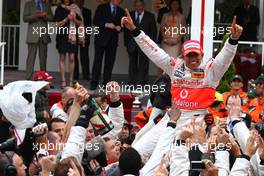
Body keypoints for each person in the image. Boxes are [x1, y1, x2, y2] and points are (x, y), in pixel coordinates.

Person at [122, 9, 243, 175]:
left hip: (194, 126)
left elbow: (225, 58)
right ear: (182, 56)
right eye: (189, 55)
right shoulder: (174, 66)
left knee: (178, 166)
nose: (193, 59)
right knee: (134, 154)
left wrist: (233, 39)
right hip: (171, 119)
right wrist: (135, 31)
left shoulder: (211, 71)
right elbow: (153, 51)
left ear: (202, 54)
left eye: (196, 55)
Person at [90, 0, 125, 90]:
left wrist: (120, 28)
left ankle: (106, 84)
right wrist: (106, 24)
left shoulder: (121, 11)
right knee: (97, 61)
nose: (119, 1)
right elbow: (95, 21)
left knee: (109, 63)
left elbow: (123, 26)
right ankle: (94, 83)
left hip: (113, 41)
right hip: (101, 39)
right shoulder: (102, 7)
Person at [124, 0, 157, 85]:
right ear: (134, 6)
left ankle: (142, 83)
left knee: (144, 65)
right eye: (137, 6)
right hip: (131, 44)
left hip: (145, 44)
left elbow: (153, 32)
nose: (138, 7)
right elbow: (126, 31)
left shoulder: (150, 16)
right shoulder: (129, 15)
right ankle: (132, 83)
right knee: (132, 64)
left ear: (143, 6)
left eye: (140, 6)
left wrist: (152, 45)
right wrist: (126, 43)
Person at [54, 0, 85, 88]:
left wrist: (74, 19)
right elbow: (56, 24)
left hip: (72, 37)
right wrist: (66, 19)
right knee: (62, 57)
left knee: (72, 57)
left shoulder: (75, 7)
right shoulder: (59, 8)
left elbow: (80, 23)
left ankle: (71, 80)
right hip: (62, 36)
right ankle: (63, 80)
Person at [23, 0, 53, 80]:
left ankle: (43, 79)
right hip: (33, 35)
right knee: (31, 58)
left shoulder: (46, 4)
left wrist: (44, 16)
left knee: (43, 58)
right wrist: (36, 16)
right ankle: (28, 78)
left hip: (44, 35)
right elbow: (25, 18)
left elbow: (51, 18)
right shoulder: (28, 4)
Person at [74, 0, 92, 80]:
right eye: (78, 2)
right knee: (74, 56)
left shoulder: (87, 11)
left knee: (84, 56)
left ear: (83, 2)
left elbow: (88, 26)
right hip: (74, 36)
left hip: (84, 36)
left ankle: (86, 75)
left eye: (81, 1)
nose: (79, 3)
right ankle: (75, 75)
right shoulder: (72, 11)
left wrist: (85, 36)